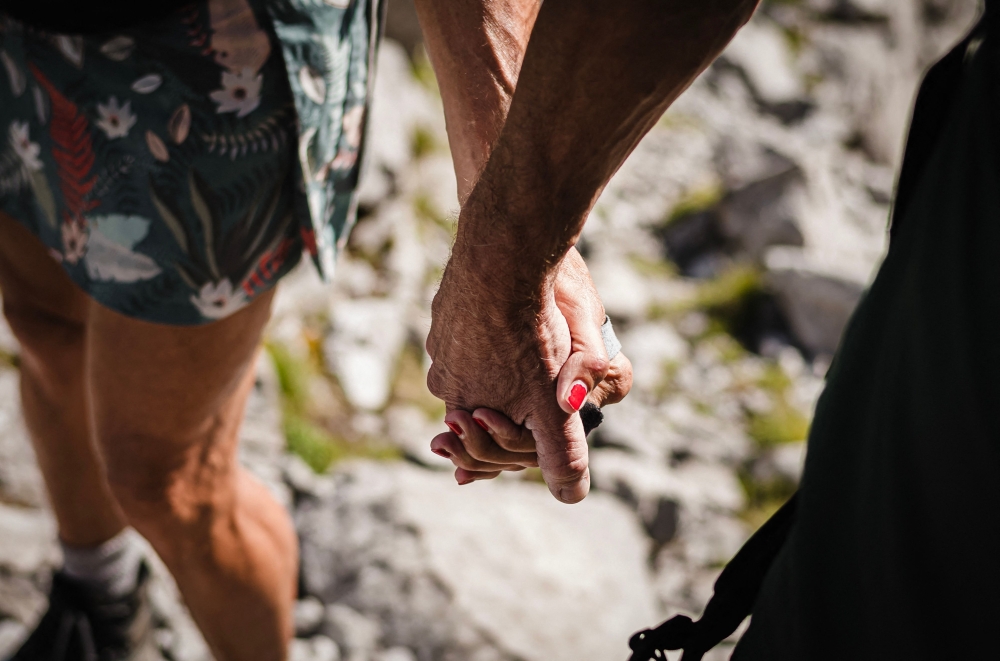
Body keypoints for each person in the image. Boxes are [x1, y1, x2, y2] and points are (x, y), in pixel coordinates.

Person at [0, 0, 757, 659]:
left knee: (167, 478)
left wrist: (513, 257)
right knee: (46, 330)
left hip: (204, 61)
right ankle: (98, 602)